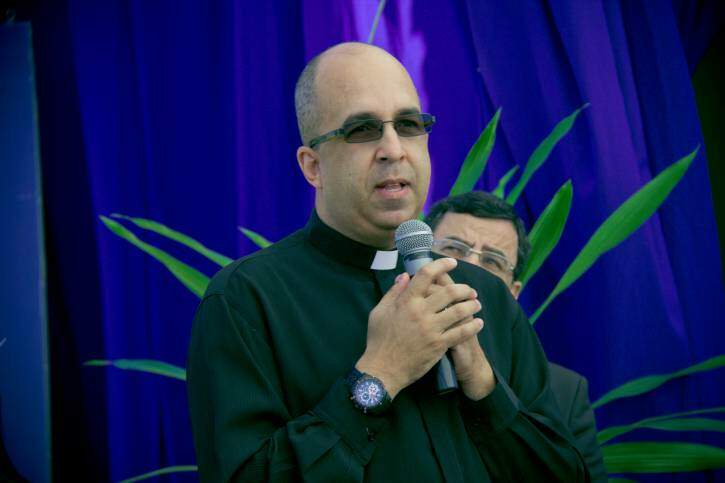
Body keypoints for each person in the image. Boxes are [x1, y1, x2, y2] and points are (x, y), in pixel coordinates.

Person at [187, 42, 587, 482]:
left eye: (409, 124)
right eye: (362, 129)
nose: (394, 149)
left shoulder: (484, 294)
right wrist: (380, 373)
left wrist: (484, 386)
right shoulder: (246, 300)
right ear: (313, 166)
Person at [424, 190, 607, 482]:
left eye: (492, 261)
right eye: (455, 248)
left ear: (513, 292)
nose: (471, 268)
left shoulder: (564, 392)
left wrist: (485, 387)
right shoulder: (382, 357)